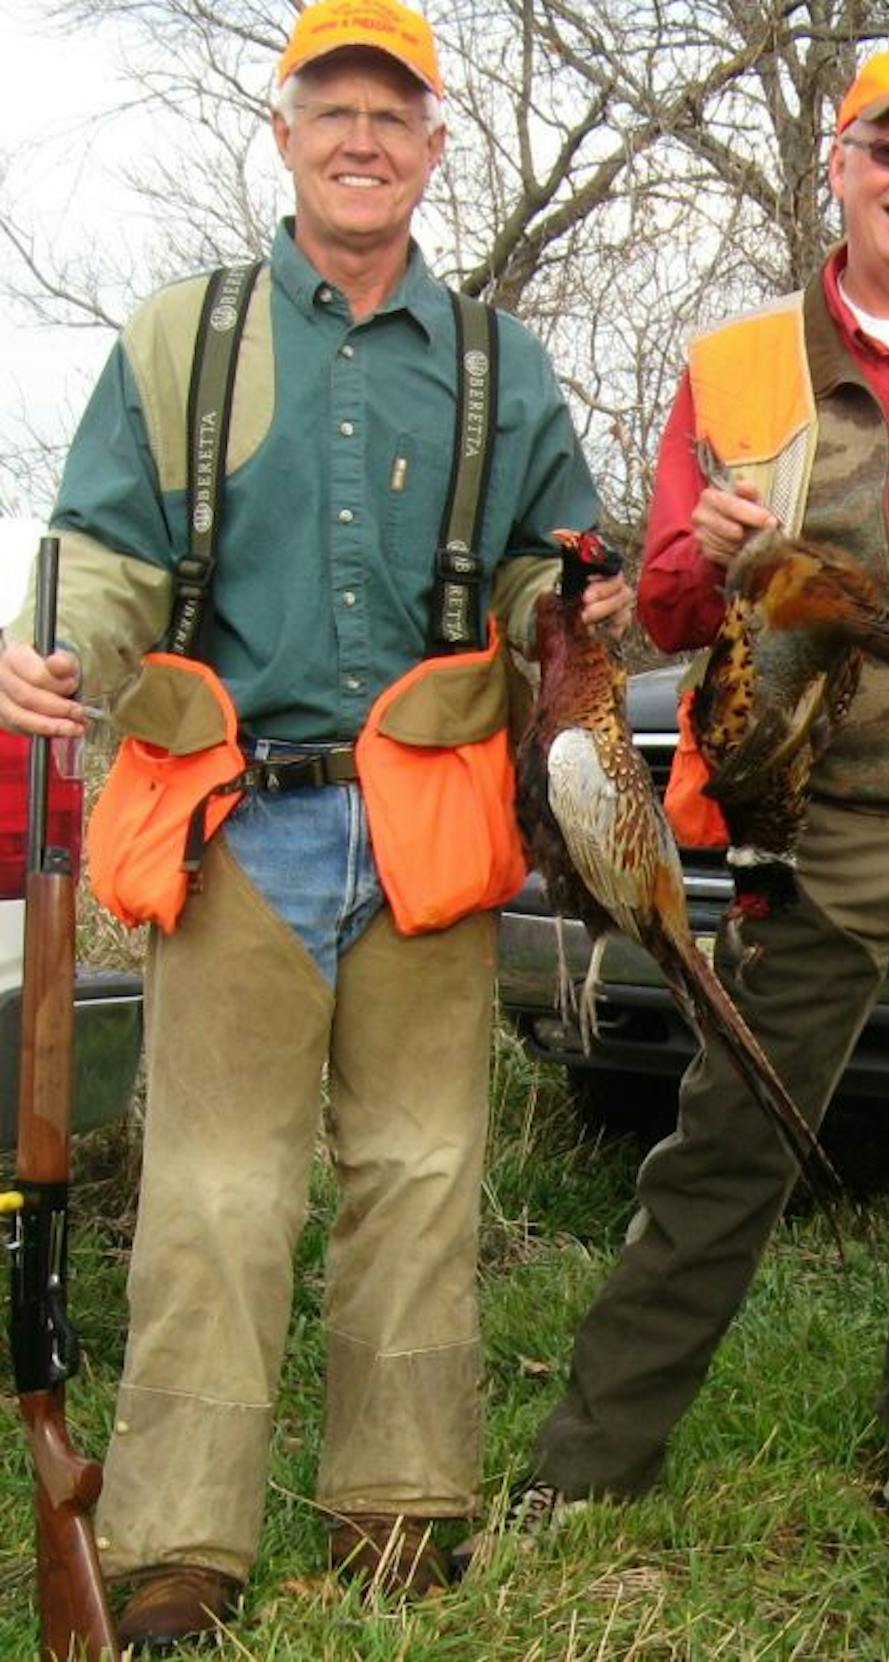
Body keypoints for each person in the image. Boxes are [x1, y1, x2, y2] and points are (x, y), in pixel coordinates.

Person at [481, 43, 889, 1552]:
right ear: (837, 167)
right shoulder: (736, 366)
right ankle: (584, 1472)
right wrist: (706, 548)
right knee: (722, 1152)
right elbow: (652, 609)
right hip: (817, 838)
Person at [0, 0, 620, 1645]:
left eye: (392, 113)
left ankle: (401, 1511)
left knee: (424, 1173)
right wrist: (53, 656)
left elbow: (544, 583)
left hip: (427, 829)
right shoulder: (180, 342)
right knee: (215, 1193)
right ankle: (174, 1548)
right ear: (282, 137)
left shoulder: (501, 365)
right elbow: (107, 569)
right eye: (330, 107)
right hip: (236, 837)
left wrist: (590, 602)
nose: (362, 137)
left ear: (433, 146)